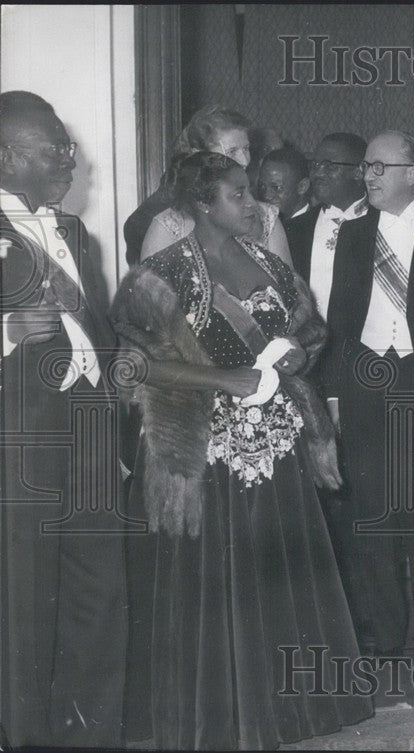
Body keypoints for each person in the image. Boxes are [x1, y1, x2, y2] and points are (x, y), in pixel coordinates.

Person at [110, 152, 373, 749]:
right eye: (236, 194)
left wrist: (296, 355)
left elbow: (310, 329)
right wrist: (225, 381)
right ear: (202, 203)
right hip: (206, 450)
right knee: (218, 584)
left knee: (276, 576)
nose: (251, 204)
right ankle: (222, 722)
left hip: (277, 443)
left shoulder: (266, 263)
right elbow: (133, 365)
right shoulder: (159, 276)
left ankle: (288, 714)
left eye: (249, 192)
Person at [0, 90, 128, 748]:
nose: (69, 161)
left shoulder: (76, 232)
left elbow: (99, 335)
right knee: (24, 604)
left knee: (101, 591)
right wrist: (6, 329)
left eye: (68, 147)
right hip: (19, 440)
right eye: (54, 148)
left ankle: (96, 737)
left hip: (88, 431)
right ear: (6, 154)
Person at [321, 131, 414, 660]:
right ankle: (387, 632)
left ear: (412, 173)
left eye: (380, 166)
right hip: (363, 380)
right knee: (371, 515)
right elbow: (339, 318)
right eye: (366, 167)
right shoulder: (354, 234)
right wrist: (334, 395)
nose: (369, 175)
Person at [136, 105, 292, 267]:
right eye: (232, 151)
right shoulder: (169, 227)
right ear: (200, 156)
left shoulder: (266, 218)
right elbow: (152, 291)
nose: (245, 161)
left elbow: (289, 289)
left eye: (246, 149)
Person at [285, 132, 367, 320]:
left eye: (329, 166)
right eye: (315, 165)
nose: (318, 173)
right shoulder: (295, 229)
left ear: (359, 171)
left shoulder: (381, 225)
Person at [257, 145, 311, 222]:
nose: (266, 196)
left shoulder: (318, 227)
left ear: (303, 186)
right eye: (261, 186)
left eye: (276, 188)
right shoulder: (262, 224)